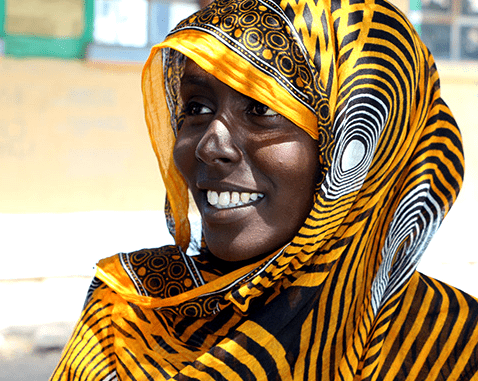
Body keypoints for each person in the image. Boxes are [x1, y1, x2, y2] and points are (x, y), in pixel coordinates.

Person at [50, 0, 478, 380]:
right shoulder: (128, 319)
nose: (209, 145)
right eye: (196, 108)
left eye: (262, 109)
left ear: (361, 145)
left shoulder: (453, 343)